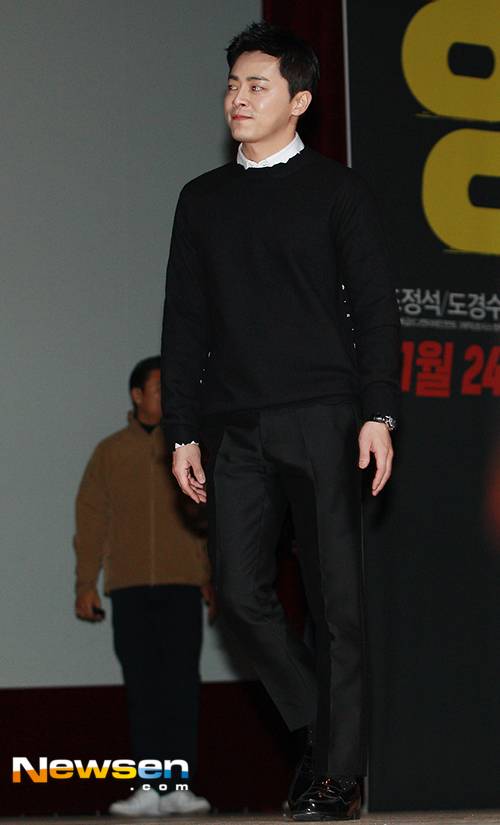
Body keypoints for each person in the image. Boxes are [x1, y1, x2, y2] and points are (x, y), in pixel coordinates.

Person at [160, 20, 401, 823]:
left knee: (336, 605)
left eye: (257, 85)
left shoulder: (338, 191)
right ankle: (322, 728)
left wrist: (378, 411)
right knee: (239, 594)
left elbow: (375, 310)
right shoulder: (201, 200)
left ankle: (337, 775)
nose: (238, 97)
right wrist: (182, 428)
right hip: (232, 425)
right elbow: (184, 321)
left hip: (325, 415)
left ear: (298, 101)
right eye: (233, 84)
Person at [73, 356, 213, 818]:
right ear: (137, 395)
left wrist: (210, 577)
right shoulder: (110, 451)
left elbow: (208, 518)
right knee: (143, 689)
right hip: (129, 587)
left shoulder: (188, 448)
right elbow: (90, 521)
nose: (167, 396)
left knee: (182, 688)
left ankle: (179, 785)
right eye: (158, 388)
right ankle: (150, 785)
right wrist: (85, 584)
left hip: (182, 585)